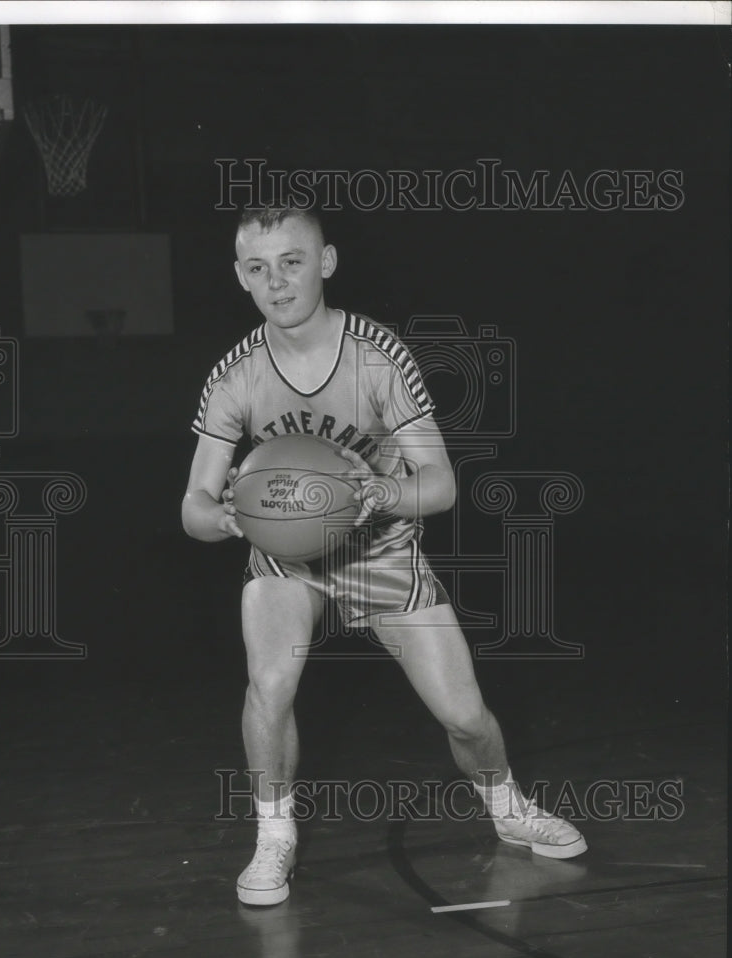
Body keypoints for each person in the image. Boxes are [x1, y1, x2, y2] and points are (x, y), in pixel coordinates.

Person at [182, 206, 587, 906]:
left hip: (380, 549)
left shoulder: (376, 355)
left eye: (292, 262)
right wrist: (226, 517)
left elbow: (440, 486)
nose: (276, 282)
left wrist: (375, 492)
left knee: (464, 718)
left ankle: (506, 807)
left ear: (327, 262)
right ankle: (273, 835)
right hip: (287, 557)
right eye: (257, 268)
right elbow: (192, 506)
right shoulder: (234, 375)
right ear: (239, 277)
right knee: (269, 689)